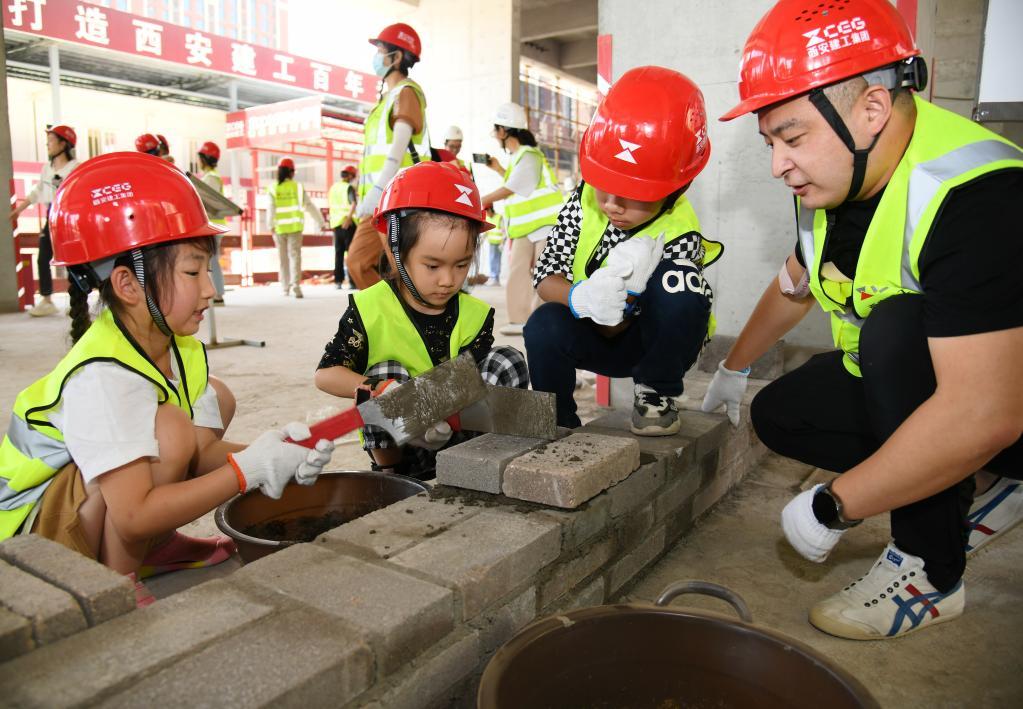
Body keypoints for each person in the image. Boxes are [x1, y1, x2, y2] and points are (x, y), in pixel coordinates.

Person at [701, 0, 1023, 639]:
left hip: (1000, 405)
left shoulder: (978, 193)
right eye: (771, 143)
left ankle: (931, 570)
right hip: (943, 387)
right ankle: (983, 484)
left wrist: (836, 505)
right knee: (782, 412)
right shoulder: (844, 177)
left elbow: (987, 412)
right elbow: (796, 284)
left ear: (872, 109)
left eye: (792, 138)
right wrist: (733, 369)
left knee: (895, 329)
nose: (778, 165)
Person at [0, 153, 333, 605]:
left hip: (95, 505)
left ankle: (158, 548)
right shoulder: (102, 376)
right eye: (193, 272)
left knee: (216, 399)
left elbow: (202, 454)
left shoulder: (180, 347)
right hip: (32, 540)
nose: (210, 288)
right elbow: (135, 514)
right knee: (172, 429)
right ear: (129, 284)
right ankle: (116, 583)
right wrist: (246, 472)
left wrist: (277, 452)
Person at [524, 67, 719, 436]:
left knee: (683, 286)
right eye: (604, 185)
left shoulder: (680, 231)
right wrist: (580, 297)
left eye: (632, 193)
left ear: (675, 187)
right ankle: (557, 420)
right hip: (591, 332)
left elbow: (652, 318)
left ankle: (655, 394)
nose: (612, 205)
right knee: (543, 323)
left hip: (646, 343)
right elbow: (545, 276)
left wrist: (621, 305)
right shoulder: (583, 201)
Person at [314, 161, 529, 479]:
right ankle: (391, 478)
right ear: (393, 248)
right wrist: (384, 389)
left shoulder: (474, 314)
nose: (448, 280)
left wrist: (443, 410)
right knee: (384, 373)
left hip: (461, 437)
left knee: (507, 361)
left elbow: (476, 383)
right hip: (399, 447)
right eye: (432, 265)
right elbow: (326, 375)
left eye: (461, 264)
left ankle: (484, 465)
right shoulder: (369, 307)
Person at [348, 23, 432, 291]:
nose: (377, 57)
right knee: (376, 266)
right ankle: (394, 321)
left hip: (398, 198)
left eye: (381, 51)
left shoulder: (406, 93)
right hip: (382, 199)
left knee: (390, 268)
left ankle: (399, 324)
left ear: (396, 57)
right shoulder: (386, 99)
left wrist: (377, 189)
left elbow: (398, 149)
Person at [480, 102, 565, 336]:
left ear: (504, 131)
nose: (495, 134)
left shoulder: (530, 155)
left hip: (546, 225)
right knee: (518, 270)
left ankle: (542, 319)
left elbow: (517, 186)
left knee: (545, 273)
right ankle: (519, 320)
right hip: (526, 228)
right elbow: (515, 182)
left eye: (496, 129)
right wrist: (498, 169)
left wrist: (479, 199)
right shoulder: (520, 157)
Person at [10, 124, 79, 317]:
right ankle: (47, 300)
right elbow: (37, 191)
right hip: (51, 216)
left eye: (51, 141)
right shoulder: (46, 169)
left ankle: (77, 299)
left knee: (73, 260)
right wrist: (19, 210)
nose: (47, 145)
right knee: (43, 258)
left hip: (69, 217)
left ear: (64, 143)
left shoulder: (76, 167)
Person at [266, 157, 328, 298]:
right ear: (291, 172)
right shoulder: (297, 187)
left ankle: (285, 287)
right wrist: (320, 222)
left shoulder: (273, 188)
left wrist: (270, 225)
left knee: (283, 259)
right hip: (295, 228)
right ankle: (296, 286)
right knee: (295, 257)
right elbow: (309, 206)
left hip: (279, 229)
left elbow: (270, 208)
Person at [197, 141, 227, 305]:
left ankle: (217, 293)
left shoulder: (211, 178)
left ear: (205, 158)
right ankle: (217, 293)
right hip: (214, 225)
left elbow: (209, 203)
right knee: (211, 260)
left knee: (212, 260)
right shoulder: (209, 178)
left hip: (212, 226)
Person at [328, 165, 358, 289]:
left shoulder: (333, 188)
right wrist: (349, 218)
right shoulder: (348, 187)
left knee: (338, 253)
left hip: (336, 224)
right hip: (348, 224)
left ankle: (338, 281)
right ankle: (352, 282)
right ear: (350, 175)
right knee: (351, 253)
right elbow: (353, 204)